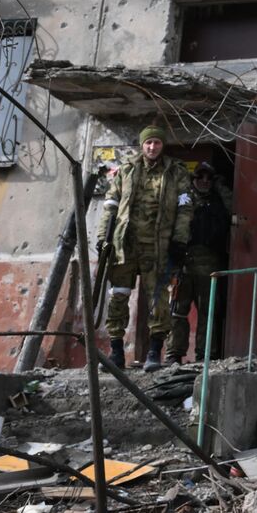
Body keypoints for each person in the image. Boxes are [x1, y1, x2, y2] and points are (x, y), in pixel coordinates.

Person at [96, 124, 194, 372]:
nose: (152, 147)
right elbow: (111, 204)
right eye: (148, 143)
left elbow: (185, 208)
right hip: (125, 244)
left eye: (157, 143)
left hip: (158, 245)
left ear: (162, 145)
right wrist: (102, 237)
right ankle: (116, 353)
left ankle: (153, 353)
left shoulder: (176, 172)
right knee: (118, 295)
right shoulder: (127, 169)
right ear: (142, 145)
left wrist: (180, 240)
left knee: (157, 297)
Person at [166, 162, 232, 365]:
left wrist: (221, 187)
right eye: (200, 177)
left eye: (208, 178)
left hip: (210, 262)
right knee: (177, 310)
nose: (204, 181)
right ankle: (174, 353)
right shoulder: (184, 197)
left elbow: (234, 208)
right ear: (193, 179)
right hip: (184, 261)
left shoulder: (218, 199)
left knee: (208, 311)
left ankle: (205, 355)